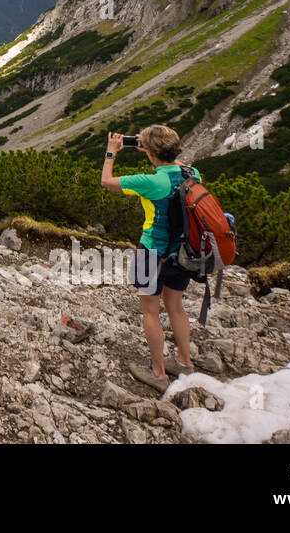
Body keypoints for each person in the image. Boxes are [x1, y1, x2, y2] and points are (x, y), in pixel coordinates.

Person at [99, 125, 198, 391]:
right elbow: (176, 166)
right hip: (183, 252)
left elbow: (106, 182)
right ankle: (185, 362)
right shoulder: (192, 173)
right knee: (176, 307)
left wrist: (111, 153)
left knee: (150, 311)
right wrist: (156, 152)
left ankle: (158, 373)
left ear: (151, 153)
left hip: (150, 252)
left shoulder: (149, 182)